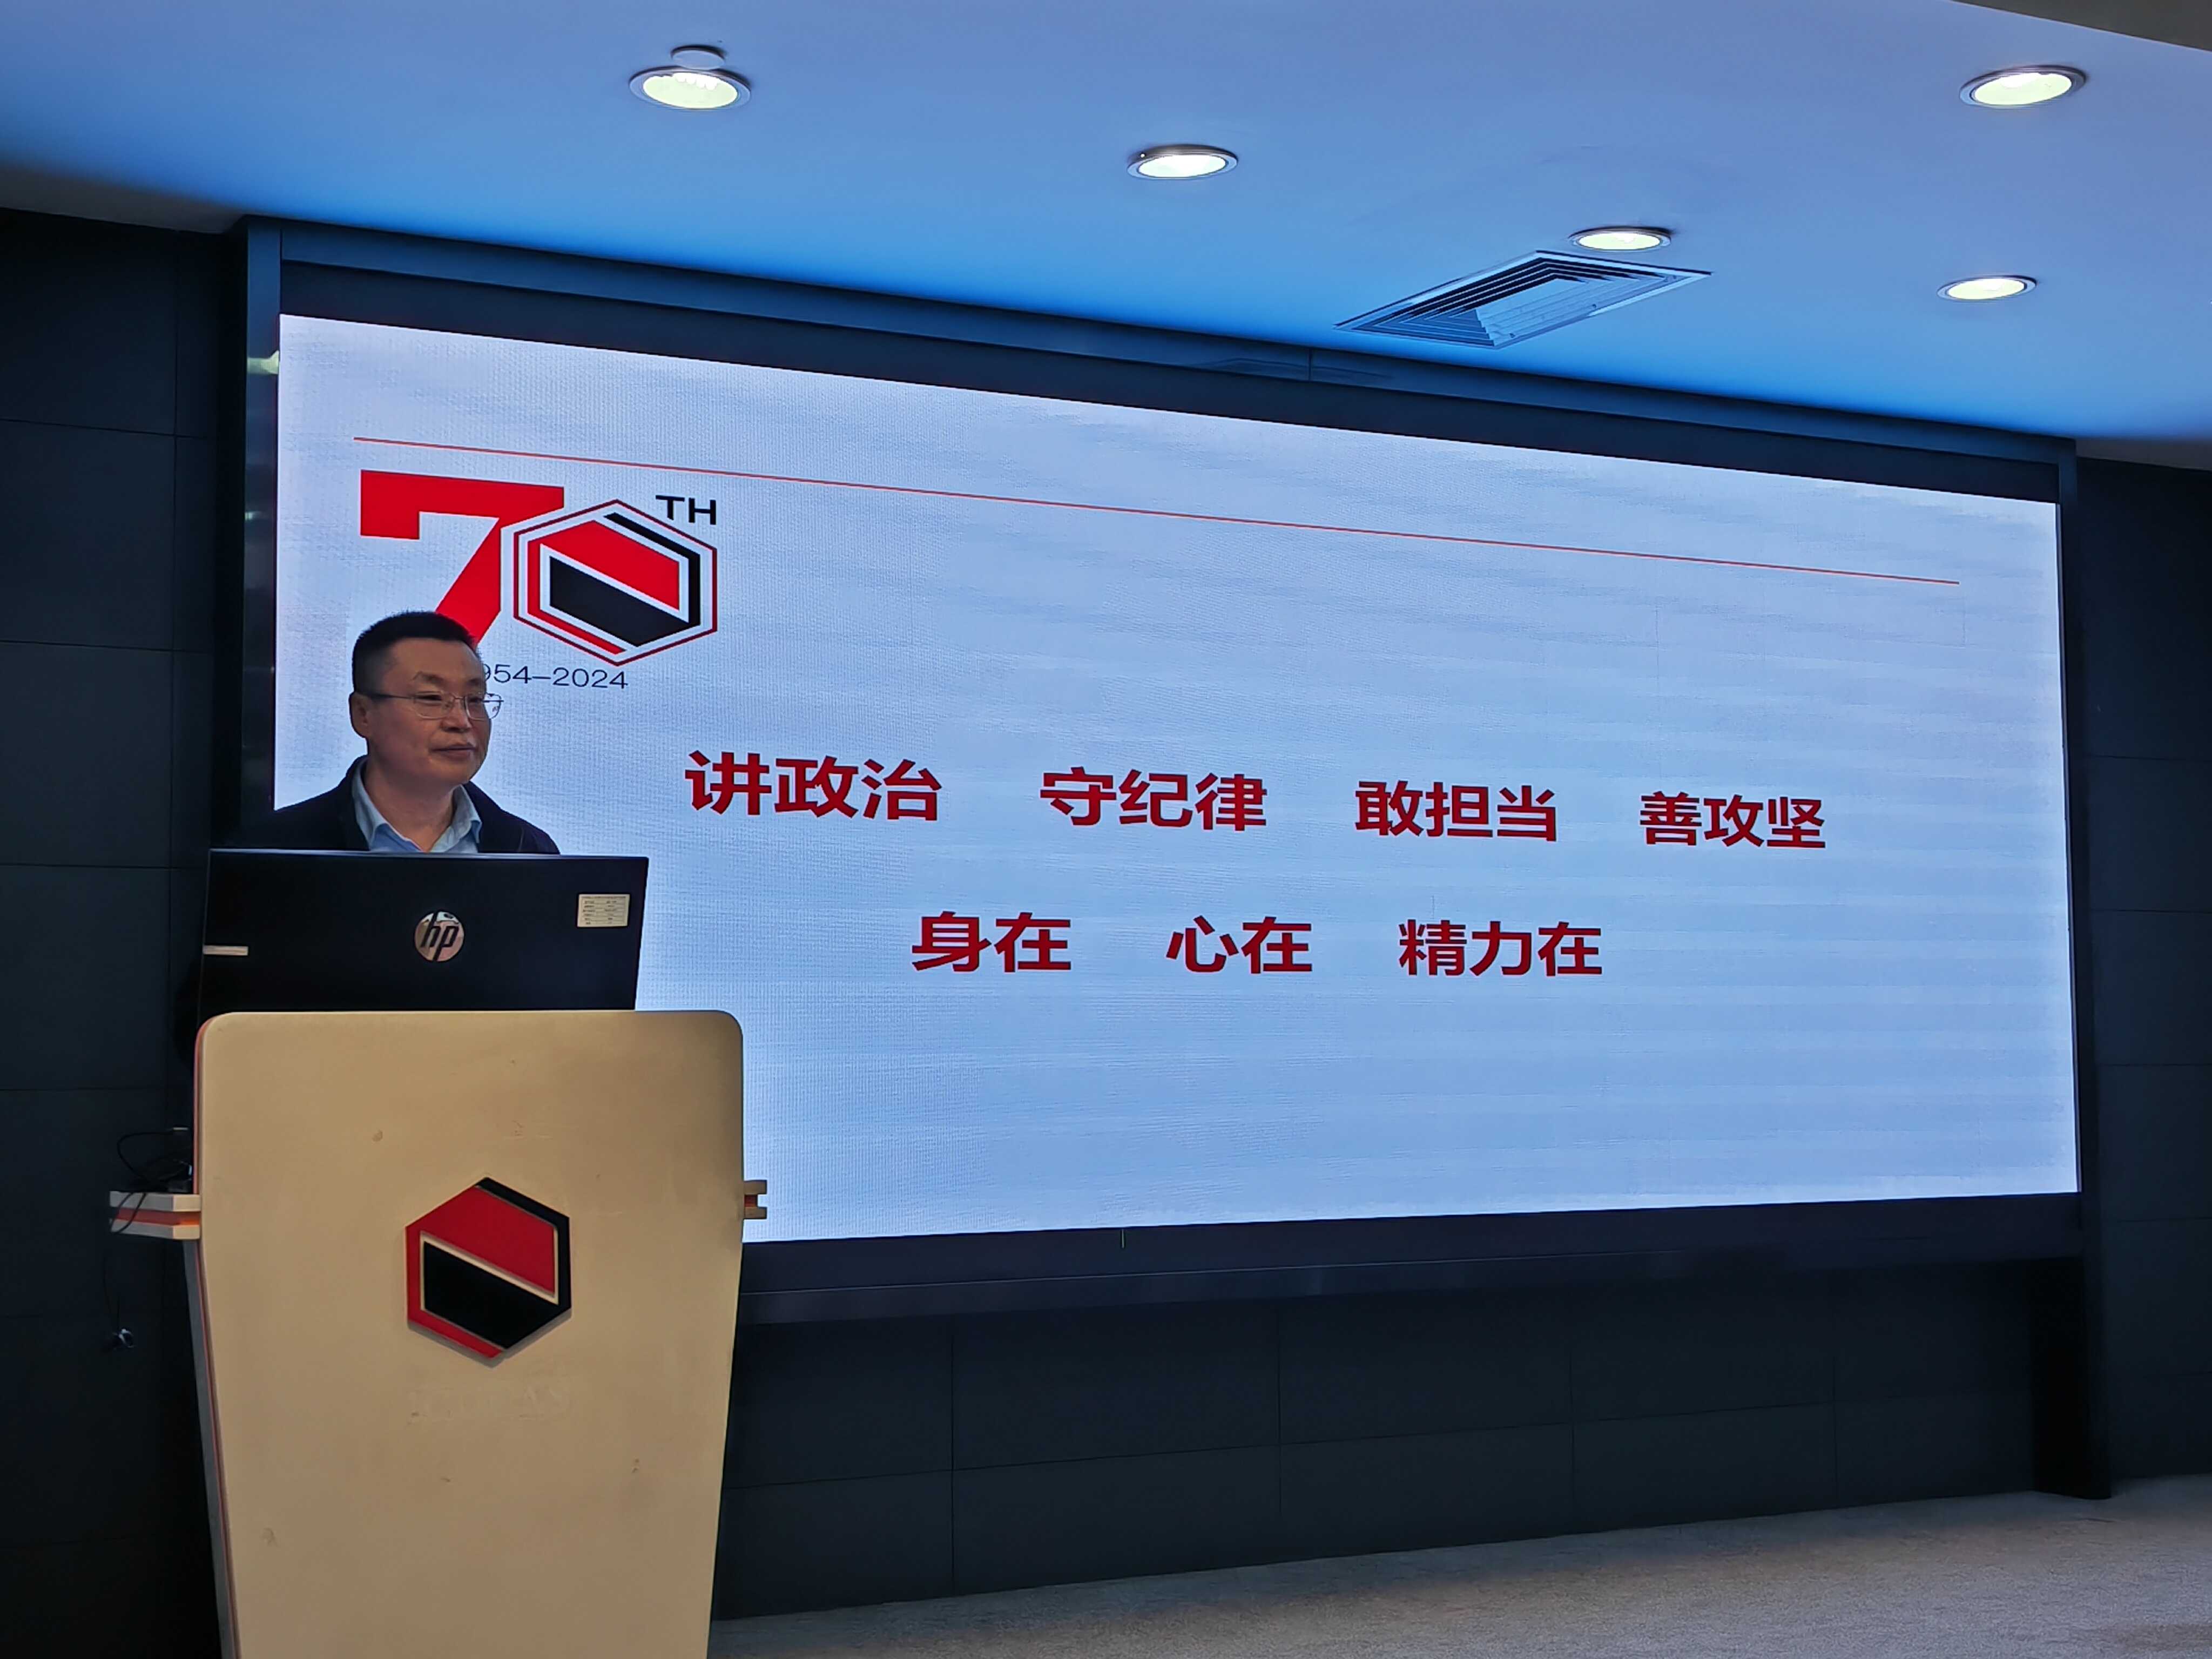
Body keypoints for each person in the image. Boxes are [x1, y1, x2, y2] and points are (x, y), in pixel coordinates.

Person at [242, 611, 558, 854]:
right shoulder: (274, 849)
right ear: (363, 715)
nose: (462, 721)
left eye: (475, 700)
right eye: (432, 699)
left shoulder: (528, 849)